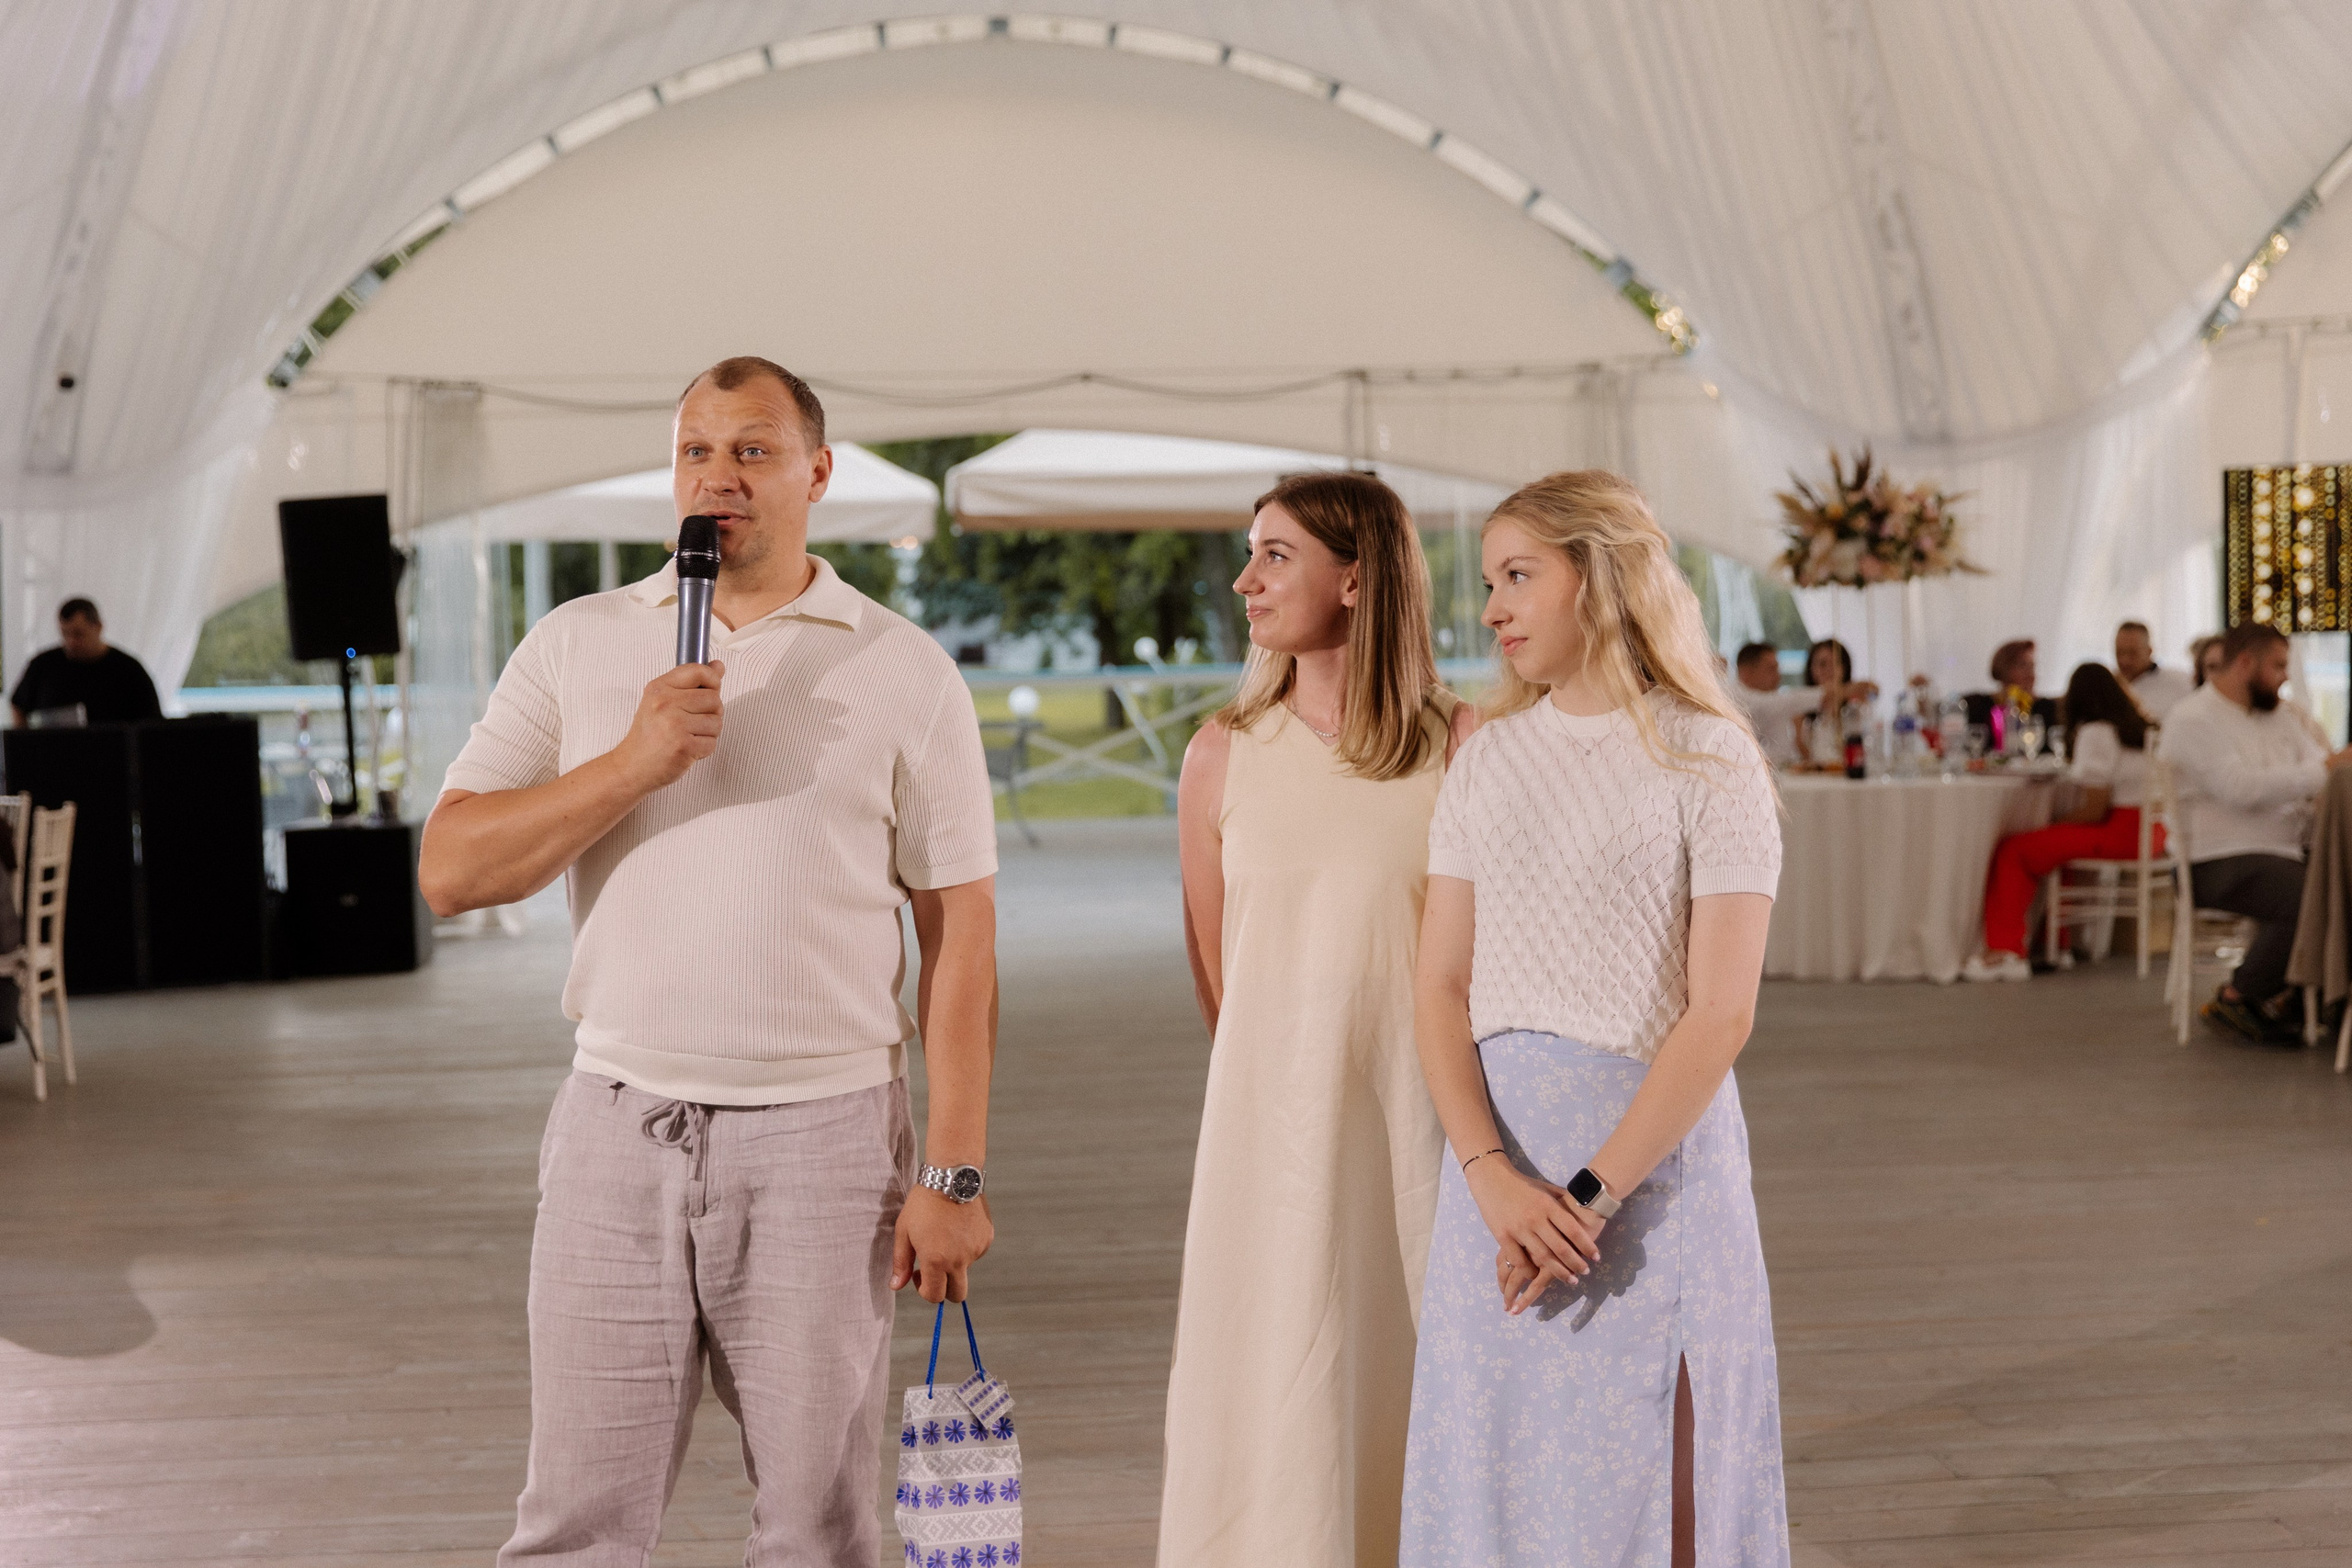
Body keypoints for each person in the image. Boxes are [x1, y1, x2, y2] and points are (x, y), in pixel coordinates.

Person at [417, 356, 1001, 1566]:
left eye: (752, 450)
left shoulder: (902, 666)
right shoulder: (579, 643)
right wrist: (632, 761)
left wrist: (951, 1173)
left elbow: (962, 946)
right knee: (574, 1522)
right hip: (612, 1128)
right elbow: (454, 868)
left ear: (817, 473)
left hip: (825, 1142)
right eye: (694, 450)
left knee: (816, 1525)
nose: (717, 476)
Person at [1401, 470, 1786, 1566]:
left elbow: (1719, 1011)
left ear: (1602, 577)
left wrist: (1589, 1194)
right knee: (1496, 1461)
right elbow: (1438, 986)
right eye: (1487, 583)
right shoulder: (1486, 760)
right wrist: (1488, 1176)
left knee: (1654, 1478)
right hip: (1496, 1173)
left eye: (1519, 576)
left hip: (1648, 1176)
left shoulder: (1709, 758)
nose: (1492, 610)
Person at [1162, 472, 1476, 1568]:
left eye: (1275, 555)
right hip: (1270, 1131)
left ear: (1357, 577)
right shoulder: (1221, 753)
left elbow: (1492, 961)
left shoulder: (1463, 746)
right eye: (1250, 553)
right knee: (1279, 1365)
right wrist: (1282, 1089)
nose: (1245, 581)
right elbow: (1217, 972)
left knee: (1415, 1361)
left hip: (1425, 1129)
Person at [2160, 622, 2352, 1043]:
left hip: (2285, 849)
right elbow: (2239, 788)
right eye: (2279, 665)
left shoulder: (2279, 716)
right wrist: (2322, 771)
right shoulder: (2193, 718)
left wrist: (2324, 771)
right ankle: (2238, 995)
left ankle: (2314, 998)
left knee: (2341, 879)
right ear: (2245, 663)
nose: (2286, 675)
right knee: (2311, 894)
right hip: (2216, 858)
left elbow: (2321, 766)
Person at [1962, 663, 2161, 982]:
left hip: (2122, 832)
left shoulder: (2097, 731)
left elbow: (2094, 811)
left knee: (2014, 850)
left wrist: (2054, 822)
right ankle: (2056, 943)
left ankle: (2004, 951)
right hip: (2152, 832)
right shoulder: (2140, 729)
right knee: (2055, 848)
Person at [8, 598, 164, 726]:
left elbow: (151, 722)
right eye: (65, 634)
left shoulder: (129, 670)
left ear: (98, 627)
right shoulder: (43, 665)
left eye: (78, 634)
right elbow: (18, 705)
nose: (71, 642)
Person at [1793, 637, 1877, 763]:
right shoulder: (1803, 707)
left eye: (1835, 663)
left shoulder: (1855, 703)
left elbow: (1873, 689)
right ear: (1812, 669)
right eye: (1822, 664)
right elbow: (1803, 755)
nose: (1829, 669)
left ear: (1844, 667)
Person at [1730, 640, 1814, 767]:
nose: (1778, 676)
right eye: (1771, 669)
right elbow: (1790, 701)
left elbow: (1782, 753)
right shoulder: (1739, 699)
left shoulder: (1773, 707)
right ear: (1747, 672)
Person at [2115, 619, 2192, 718]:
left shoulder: (2180, 683)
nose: (2124, 660)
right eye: (2119, 652)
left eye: (2132, 653)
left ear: (2149, 651)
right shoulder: (2108, 686)